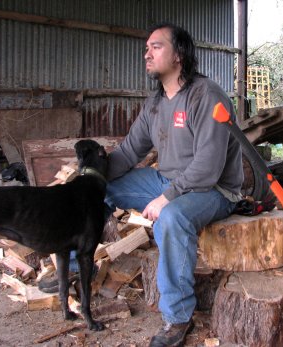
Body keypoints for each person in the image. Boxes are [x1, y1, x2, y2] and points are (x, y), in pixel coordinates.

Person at [105, 23, 244, 347]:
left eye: (156, 46)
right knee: (102, 189)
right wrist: (93, 176)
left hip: (215, 190)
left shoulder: (206, 95)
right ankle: (72, 264)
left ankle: (177, 318)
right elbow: (128, 152)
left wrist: (167, 197)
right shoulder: (155, 104)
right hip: (168, 180)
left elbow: (208, 169)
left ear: (178, 55)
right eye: (146, 48)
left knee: (172, 218)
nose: (147, 53)